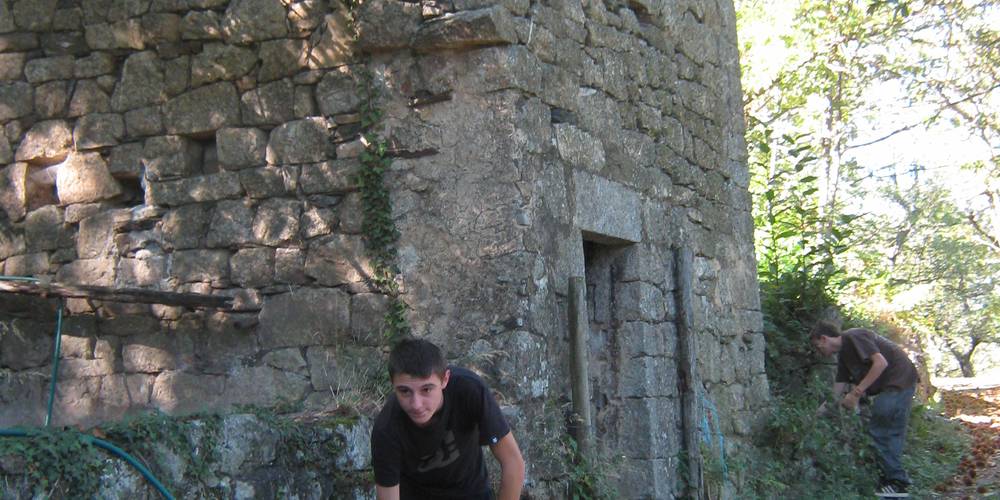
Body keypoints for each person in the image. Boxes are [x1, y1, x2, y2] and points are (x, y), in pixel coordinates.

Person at [370, 337, 525, 500]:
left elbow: (513, 463)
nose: (416, 404)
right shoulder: (386, 429)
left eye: (426, 390)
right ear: (393, 385)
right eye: (404, 391)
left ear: (445, 379)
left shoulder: (469, 390)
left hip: (472, 491)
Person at [810, 320, 919, 498]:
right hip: (892, 386)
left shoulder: (853, 336)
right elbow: (835, 394)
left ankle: (897, 482)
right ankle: (891, 483)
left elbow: (880, 363)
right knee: (883, 429)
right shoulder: (844, 358)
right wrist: (815, 416)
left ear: (824, 338)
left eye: (818, 346)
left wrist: (856, 393)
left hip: (899, 380)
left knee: (882, 428)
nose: (819, 351)